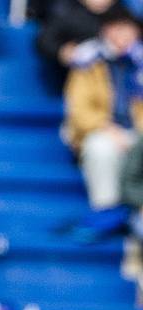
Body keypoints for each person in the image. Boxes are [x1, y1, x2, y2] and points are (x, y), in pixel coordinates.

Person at [63, 10, 143, 210]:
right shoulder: (88, 61)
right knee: (101, 149)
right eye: (117, 28)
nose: (122, 35)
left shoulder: (140, 63)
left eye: (128, 29)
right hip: (101, 130)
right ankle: (107, 212)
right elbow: (78, 110)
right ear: (105, 30)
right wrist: (107, 127)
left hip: (138, 132)